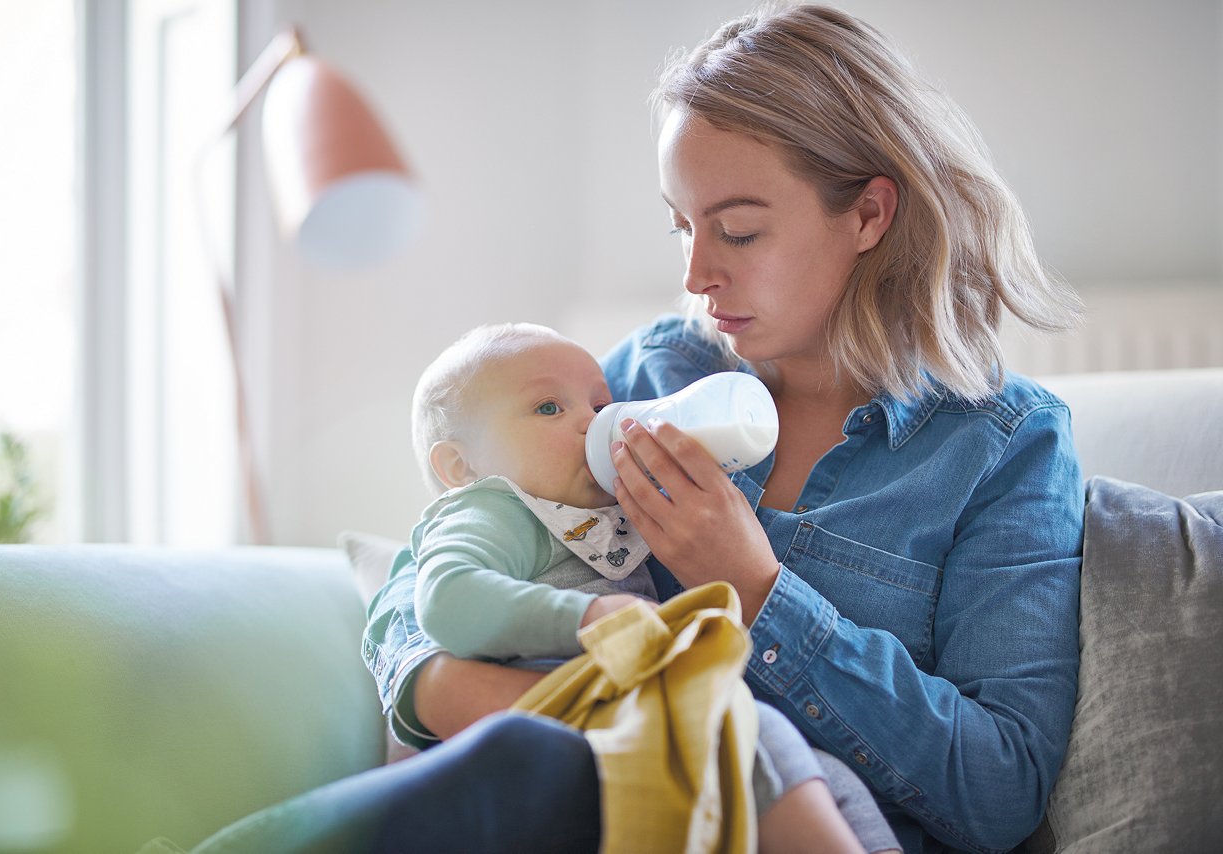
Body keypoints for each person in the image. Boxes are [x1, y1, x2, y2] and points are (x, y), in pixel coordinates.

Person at [365, 4, 1084, 853]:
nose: (697, 273)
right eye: (682, 224)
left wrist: (758, 590)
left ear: (868, 215)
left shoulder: (1000, 447)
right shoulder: (649, 379)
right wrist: (493, 701)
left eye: (738, 229)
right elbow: (436, 563)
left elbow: (999, 787)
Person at [403, 320, 900, 853]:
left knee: (823, 773)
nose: (591, 426)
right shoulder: (496, 509)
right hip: (560, 716)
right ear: (461, 465)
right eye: (549, 408)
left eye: (599, 406)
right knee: (759, 736)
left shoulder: (605, 506)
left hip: (635, 700)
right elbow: (444, 598)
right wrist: (584, 619)